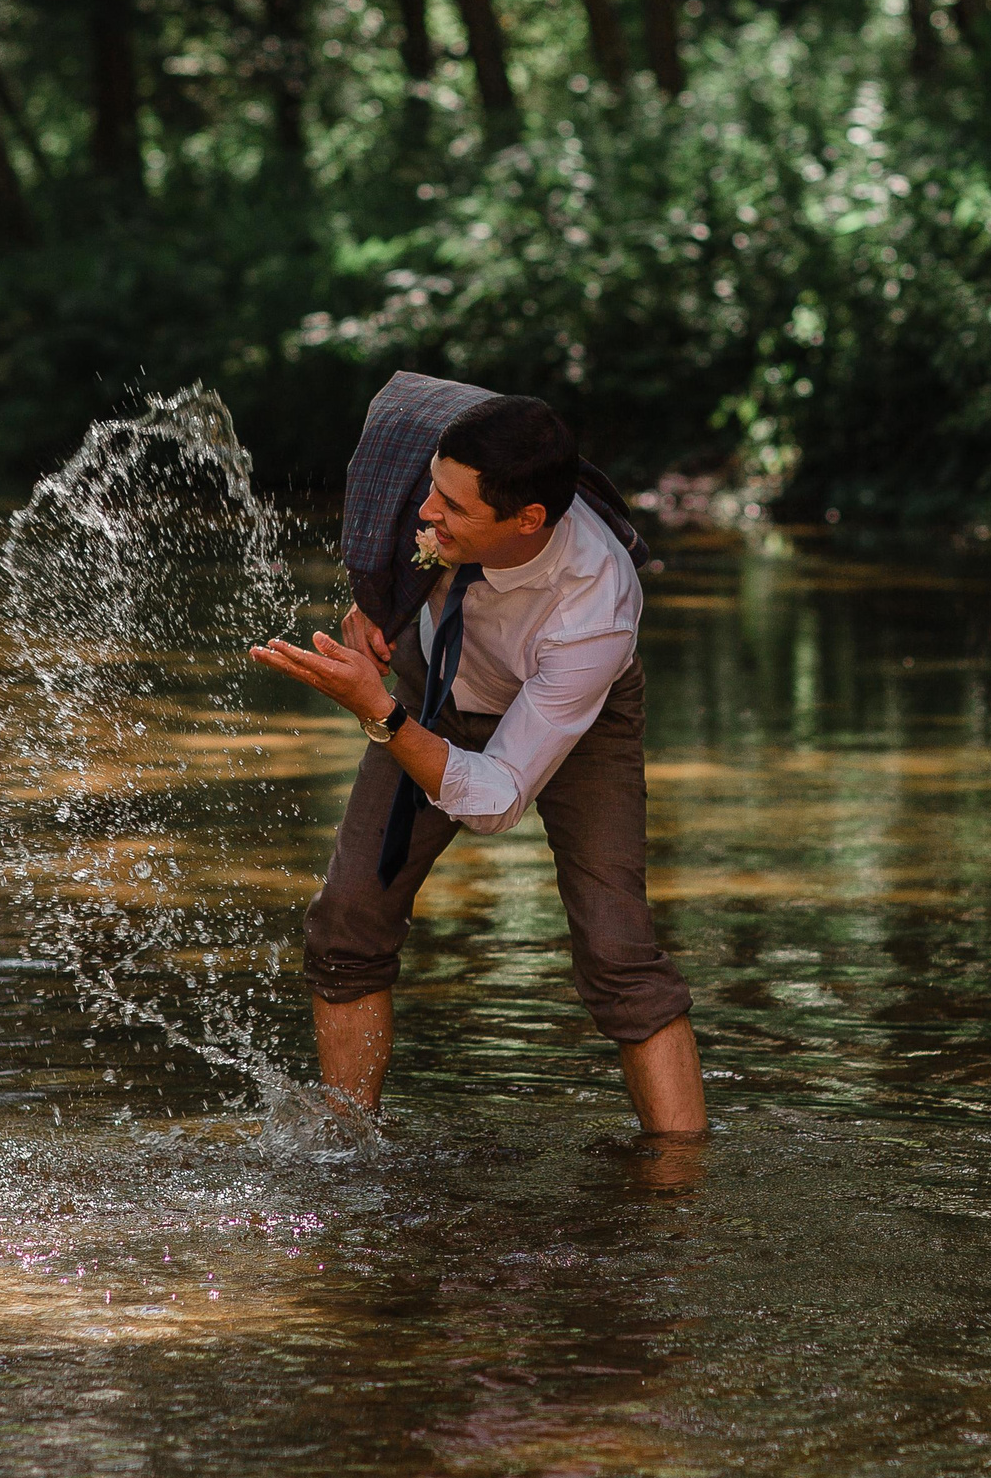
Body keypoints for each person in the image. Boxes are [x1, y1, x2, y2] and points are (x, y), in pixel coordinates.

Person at [252, 376, 707, 1133]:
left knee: (617, 951)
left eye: (454, 507)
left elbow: (497, 800)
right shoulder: (428, 491)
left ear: (528, 519)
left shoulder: (595, 604)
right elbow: (386, 557)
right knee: (347, 922)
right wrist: (371, 608)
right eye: (433, 489)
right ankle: (348, 1149)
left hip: (571, 719)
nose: (428, 513)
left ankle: (679, 1177)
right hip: (432, 683)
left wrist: (378, 709)